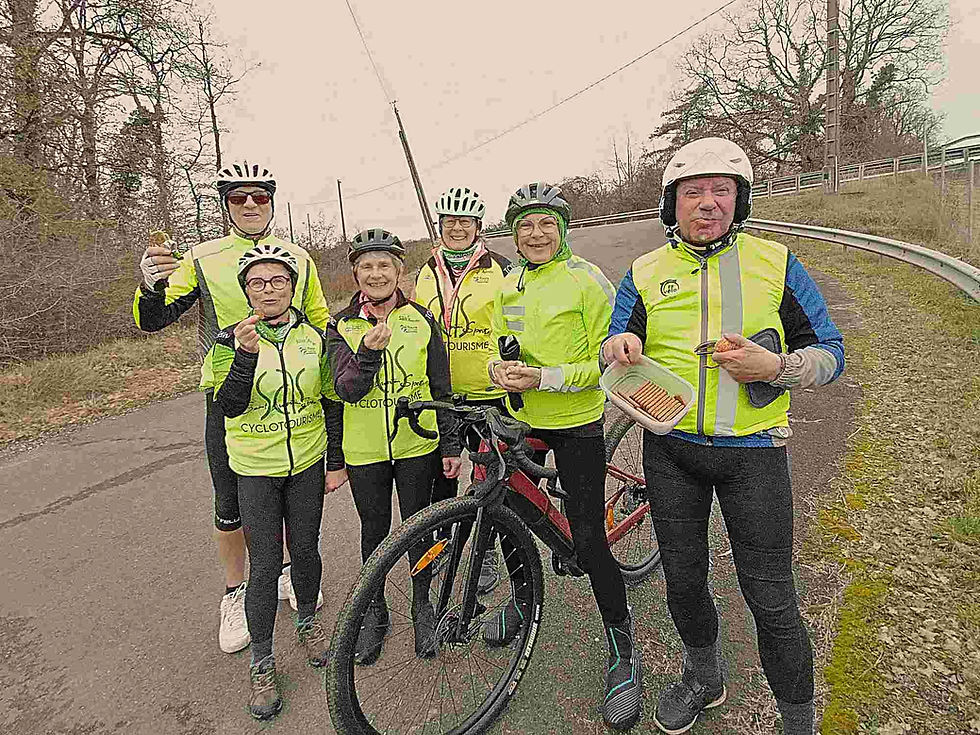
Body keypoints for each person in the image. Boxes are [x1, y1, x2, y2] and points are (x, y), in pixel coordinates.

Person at [602, 137, 845, 735]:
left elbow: (832, 354)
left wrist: (776, 368)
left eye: (721, 191)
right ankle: (705, 678)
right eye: (693, 193)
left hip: (753, 454)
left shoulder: (776, 262)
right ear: (672, 204)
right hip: (670, 450)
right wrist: (619, 346)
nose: (707, 204)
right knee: (683, 581)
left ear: (739, 201)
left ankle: (796, 717)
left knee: (770, 595)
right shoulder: (643, 272)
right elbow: (615, 345)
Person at [133, 161, 330, 655]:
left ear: (271, 201)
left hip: (291, 393)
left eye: (259, 197)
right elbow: (154, 319)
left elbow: (322, 324)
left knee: (293, 492)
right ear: (225, 204)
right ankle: (234, 592)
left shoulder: (299, 258)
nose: (249, 205)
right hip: (228, 397)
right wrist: (151, 283)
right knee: (231, 505)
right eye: (238, 197)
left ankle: (288, 576)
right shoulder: (202, 256)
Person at [487, 183, 642, 731]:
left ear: (563, 229)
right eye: (525, 225)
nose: (535, 234)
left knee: (588, 538)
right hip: (527, 417)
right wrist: (498, 372)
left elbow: (608, 362)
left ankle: (623, 649)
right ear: (514, 232)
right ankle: (526, 599)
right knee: (504, 505)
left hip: (577, 421)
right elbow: (503, 348)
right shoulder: (508, 285)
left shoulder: (588, 280)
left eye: (546, 224)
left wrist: (546, 378)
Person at [206, 244, 346, 719]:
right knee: (265, 565)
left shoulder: (313, 336)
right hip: (256, 470)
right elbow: (227, 405)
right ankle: (262, 660)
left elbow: (331, 400)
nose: (269, 290)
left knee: (305, 548)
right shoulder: (228, 341)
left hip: (306, 460)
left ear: (293, 286)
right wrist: (246, 355)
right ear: (245, 290)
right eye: (258, 283)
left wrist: (336, 460)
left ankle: (308, 621)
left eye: (279, 281)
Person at [327, 228, 462, 665]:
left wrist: (451, 444)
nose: (376, 272)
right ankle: (376, 611)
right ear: (355, 274)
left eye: (384, 264)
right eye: (367, 265)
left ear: (399, 270)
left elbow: (441, 385)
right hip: (364, 450)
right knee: (374, 533)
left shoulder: (421, 319)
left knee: (419, 530)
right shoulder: (340, 325)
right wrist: (366, 352)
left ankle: (422, 606)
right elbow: (345, 390)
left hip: (415, 444)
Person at [414, 186, 511, 593]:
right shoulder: (424, 271)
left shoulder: (502, 267)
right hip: (443, 395)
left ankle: (485, 553)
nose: (457, 228)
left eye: (464, 221)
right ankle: (441, 549)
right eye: (449, 221)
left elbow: (518, 324)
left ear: (477, 226)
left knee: (489, 477)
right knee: (444, 477)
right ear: (439, 226)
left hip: (489, 392)